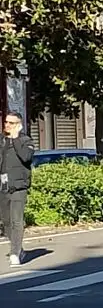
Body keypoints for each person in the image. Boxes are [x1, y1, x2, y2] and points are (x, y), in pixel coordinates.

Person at [1, 113, 34, 267]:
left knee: (16, 220)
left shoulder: (25, 140)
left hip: (19, 186)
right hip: (3, 186)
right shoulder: (1, 141)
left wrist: (15, 139)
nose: (7, 125)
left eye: (11, 123)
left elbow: (26, 157)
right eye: (6, 122)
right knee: (6, 221)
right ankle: (18, 247)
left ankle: (15, 252)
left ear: (18, 125)